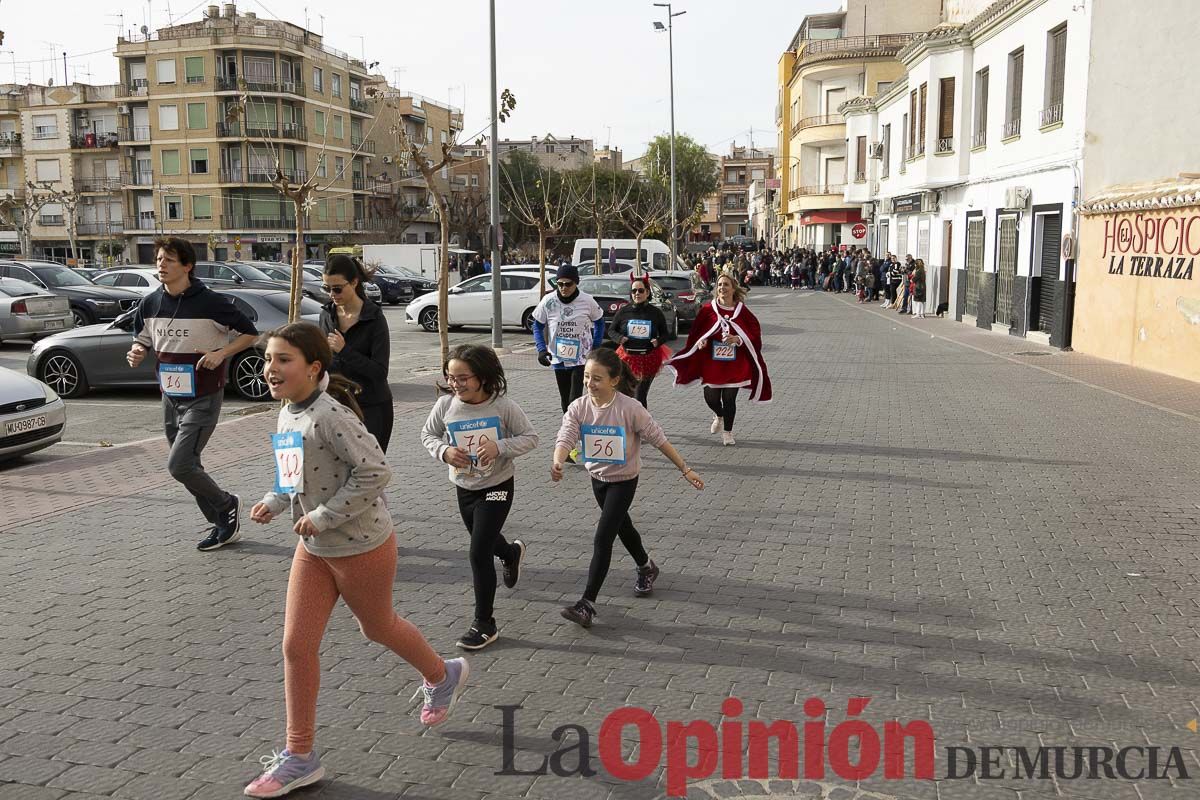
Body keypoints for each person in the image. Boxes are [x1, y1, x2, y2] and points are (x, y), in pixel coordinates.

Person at [244, 322, 467, 798]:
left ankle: (442, 674)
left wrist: (323, 515)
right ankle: (300, 755)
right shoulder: (287, 413)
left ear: (314, 367)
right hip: (314, 550)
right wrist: (275, 501)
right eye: (269, 359)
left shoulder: (332, 415)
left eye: (283, 360)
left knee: (378, 627)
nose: (271, 369)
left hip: (362, 544)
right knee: (296, 647)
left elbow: (377, 473)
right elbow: (290, 475)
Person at [551, 347, 704, 628]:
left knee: (603, 538)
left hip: (624, 481)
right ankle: (647, 567)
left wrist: (686, 469)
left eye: (597, 378)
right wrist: (558, 461)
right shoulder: (579, 407)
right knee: (624, 528)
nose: (589, 383)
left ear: (615, 380)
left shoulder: (630, 408)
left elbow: (659, 439)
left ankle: (586, 604)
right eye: (587, 376)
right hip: (598, 480)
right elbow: (567, 435)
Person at [126, 237, 258, 551]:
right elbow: (141, 337)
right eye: (159, 259)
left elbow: (251, 334)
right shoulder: (151, 302)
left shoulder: (210, 301)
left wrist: (221, 353)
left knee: (180, 465)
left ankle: (226, 504)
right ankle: (222, 523)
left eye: (169, 260)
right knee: (188, 466)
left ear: (187, 266)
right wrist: (136, 351)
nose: (161, 265)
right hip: (170, 396)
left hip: (203, 394)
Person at [421, 344, 538, 650]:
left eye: (463, 378)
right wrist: (444, 451)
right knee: (482, 539)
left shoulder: (503, 406)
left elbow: (530, 438)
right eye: (450, 377)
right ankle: (511, 553)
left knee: (478, 552)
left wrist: (499, 447)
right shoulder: (445, 405)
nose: (455, 383)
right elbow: (427, 436)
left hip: (498, 486)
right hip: (464, 487)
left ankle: (485, 623)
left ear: (483, 377)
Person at [667, 273, 772, 446]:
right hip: (712, 362)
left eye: (726, 285)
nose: (722, 288)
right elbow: (697, 332)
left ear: (733, 288)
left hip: (735, 363)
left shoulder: (741, 311)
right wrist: (701, 341)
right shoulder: (708, 309)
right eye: (720, 285)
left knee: (729, 398)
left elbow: (754, 332)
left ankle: (728, 433)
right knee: (711, 398)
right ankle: (719, 414)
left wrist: (737, 339)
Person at [318, 255, 393, 452]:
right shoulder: (327, 315)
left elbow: (379, 372)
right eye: (326, 288)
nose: (332, 294)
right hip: (335, 407)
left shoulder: (374, 318)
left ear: (354, 282)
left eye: (337, 288)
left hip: (371, 407)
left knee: (369, 474)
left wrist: (345, 351)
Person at [531, 263, 604, 415]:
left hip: (581, 358)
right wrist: (541, 350)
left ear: (576, 283)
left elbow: (599, 322)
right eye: (560, 284)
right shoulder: (548, 301)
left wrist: (595, 347)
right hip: (558, 357)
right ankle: (569, 429)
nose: (564, 288)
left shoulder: (587, 300)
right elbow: (537, 326)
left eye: (568, 284)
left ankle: (575, 428)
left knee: (574, 398)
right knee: (565, 400)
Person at [607, 276, 671, 408]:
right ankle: (625, 422)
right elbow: (611, 331)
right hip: (627, 358)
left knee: (640, 396)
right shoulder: (624, 312)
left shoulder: (655, 313)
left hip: (648, 358)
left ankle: (641, 425)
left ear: (647, 292)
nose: (637, 294)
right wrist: (620, 338)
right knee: (624, 393)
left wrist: (658, 341)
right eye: (634, 291)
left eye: (641, 291)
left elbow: (665, 334)